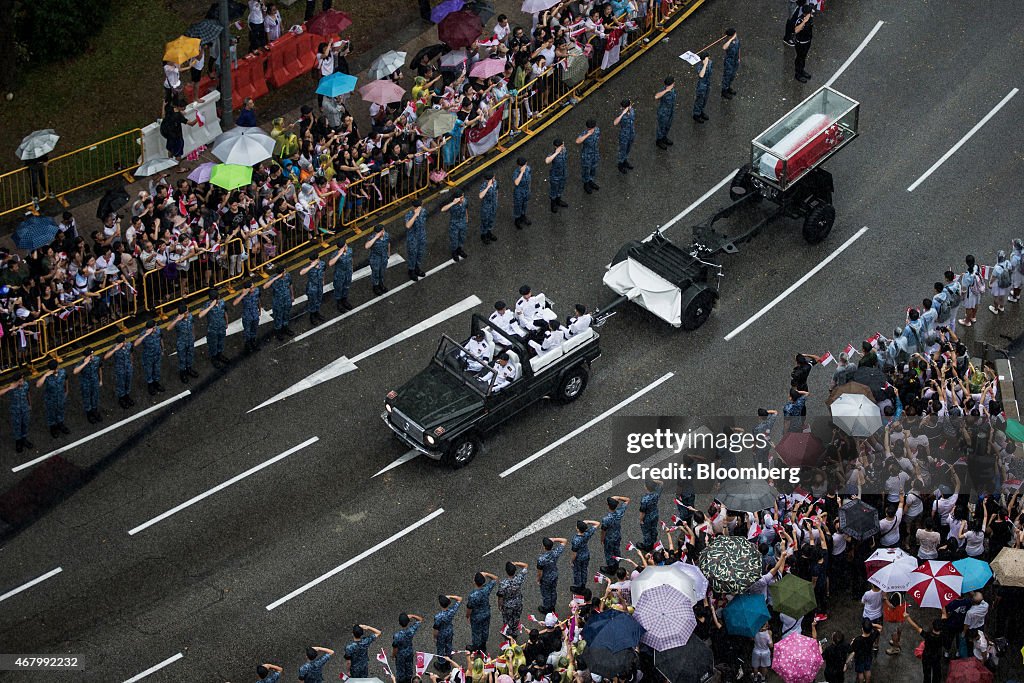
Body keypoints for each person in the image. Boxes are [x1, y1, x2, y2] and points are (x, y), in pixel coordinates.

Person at [905, 609, 946, 683]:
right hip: (937, 656)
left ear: (933, 626)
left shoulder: (927, 635)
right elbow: (944, 615)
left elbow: (917, 627)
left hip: (927, 656)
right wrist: (942, 605)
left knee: (927, 673)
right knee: (937, 672)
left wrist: (908, 618)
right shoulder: (943, 635)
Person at [34, 360, 68, 439]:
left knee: (61, 411)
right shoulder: (46, 376)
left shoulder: (62, 372)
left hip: (60, 397)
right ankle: (53, 428)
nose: (56, 370)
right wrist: (46, 375)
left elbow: (66, 379)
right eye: (54, 369)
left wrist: (67, 390)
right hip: (50, 399)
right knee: (51, 414)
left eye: (56, 368)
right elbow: (38, 385)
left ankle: (60, 424)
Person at [466, 571, 498, 652]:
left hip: (476, 617)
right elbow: (495, 578)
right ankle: (483, 645)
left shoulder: (472, 595)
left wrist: (467, 616)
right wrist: (486, 574)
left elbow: (469, 608)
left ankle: (476, 646)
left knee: (476, 632)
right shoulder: (486, 589)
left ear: (474, 581)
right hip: (486, 613)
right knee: (485, 629)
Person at [166, 303, 198, 384]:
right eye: (186, 312)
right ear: (182, 314)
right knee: (182, 359)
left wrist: (194, 334)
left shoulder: (190, 316)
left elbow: (192, 324)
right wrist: (177, 319)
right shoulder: (177, 321)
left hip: (190, 340)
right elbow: (168, 328)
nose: (188, 313)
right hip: (182, 343)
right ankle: (183, 373)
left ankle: (189, 369)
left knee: (190, 355)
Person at [0, 375, 32, 453]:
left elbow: (28, 394)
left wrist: (30, 404)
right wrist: (9, 388)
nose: (22, 382)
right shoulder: (11, 388)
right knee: (17, 426)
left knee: (25, 424)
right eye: (20, 381)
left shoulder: (26, 384)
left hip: (25, 409)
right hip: (15, 411)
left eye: (22, 380)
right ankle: (18, 442)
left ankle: (24, 439)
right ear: (15, 382)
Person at [198, 290, 230, 368]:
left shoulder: (222, 303)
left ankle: (220, 355)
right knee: (213, 345)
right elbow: (200, 315)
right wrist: (210, 307)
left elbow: (225, 312)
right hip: (212, 330)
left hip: (221, 327)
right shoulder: (207, 305)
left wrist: (226, 322)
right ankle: (214, 358)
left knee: (221, 342)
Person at [497, 561, 529, 635]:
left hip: (507, 605)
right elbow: (525, 565)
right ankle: (514, 630)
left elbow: (500, 597)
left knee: (507, 619)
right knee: (516, 617)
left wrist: (499, 605)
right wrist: (516, 563)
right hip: (518, 602)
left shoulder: (503, 584)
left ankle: (508, 632)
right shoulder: (519, 578)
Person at [536, 536, 567, 614]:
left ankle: (547, 609)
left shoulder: (541, 559)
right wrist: (554, 539)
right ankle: (552, 606)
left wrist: (538, 580)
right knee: (553, 591)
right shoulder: (555, 552)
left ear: (544, 546)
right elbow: (564, 541)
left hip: (546, 578)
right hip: (554, 575)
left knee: (546, 594)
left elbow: (540, 572)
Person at [600, 495, 630, 574]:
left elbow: (603, 530)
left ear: (608, 505)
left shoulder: (606, 519)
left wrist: (602, 539)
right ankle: (617, 563)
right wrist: (618, 497)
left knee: (609, 553)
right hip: (617, 535)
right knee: (616, 549)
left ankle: (611, 569)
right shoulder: (619, 512)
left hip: (609, 538)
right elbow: (627, 500)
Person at [104, 334, 135, 408]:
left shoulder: (129, 345)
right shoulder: (115, 348)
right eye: (124, 341)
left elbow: (131, 354)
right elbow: (105, 357)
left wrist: (131, 363)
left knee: (128, 382)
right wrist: (115, 349)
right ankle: (121, 399)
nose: (125, 342)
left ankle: (127, 396)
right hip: (120, 370)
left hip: (128, 368)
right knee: (121, 384)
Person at [73, 348, 103, 423]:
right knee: (87, 399)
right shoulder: (81, 362)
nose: (92, 356)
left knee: (95, 397)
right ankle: (89, 414)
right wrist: (85, 363)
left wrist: (100, 380)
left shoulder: (97, 359)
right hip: (85, 384)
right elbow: (75, 371)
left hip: (95, 382)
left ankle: (95, 411)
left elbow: (99, 369)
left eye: (92, 354)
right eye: (90, 355)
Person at [233, 280, 263, 353]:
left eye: (254, 287)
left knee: (254, 330)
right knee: (247, 332)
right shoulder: (242, 295)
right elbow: (234, 303)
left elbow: (258, 300)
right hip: (247, 316)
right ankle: (248, 345)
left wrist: (260, 309)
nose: (254, 289)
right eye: (252, 288)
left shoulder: (256, 291)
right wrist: (243, 294)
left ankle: (253, 342)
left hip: (255, 314)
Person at [392, 613, 423, 683]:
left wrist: (393, 655)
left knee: (400, 668)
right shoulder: (411, 630)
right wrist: (412, 616)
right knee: (409, 665)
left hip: (400, 654)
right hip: (409, 651)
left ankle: (401, 680)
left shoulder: (397, 636)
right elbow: (420, 620)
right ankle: (409, 678)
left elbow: (395, 648)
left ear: (399, 623)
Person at [264, 269, 295, 340]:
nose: (285, 273)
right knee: (278, 317)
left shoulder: (287, 276)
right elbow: (265, 286)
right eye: (284, 272)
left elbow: (290, 285)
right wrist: (276, 278)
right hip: (278, 302)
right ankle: (278, 332)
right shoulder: (273, 279)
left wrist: (292, 295)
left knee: (286, 314)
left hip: (287, 299)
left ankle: (285, 328)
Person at [136, 319, 164, 396]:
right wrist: (145, 335)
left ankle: (156, 383)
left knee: (157, 369)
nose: (156, 328)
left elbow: (160, 339)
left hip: (157, 354)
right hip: (148, 357)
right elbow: (135, 344)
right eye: (154, 327)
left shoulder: (158, 330)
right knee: (149, 371)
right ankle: (150, 385)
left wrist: (162, 349)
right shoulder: (143, 334)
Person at [570, 520, 600, 589]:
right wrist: (588, 521)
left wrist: (571, 561)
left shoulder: (575, 540)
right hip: (586, 555)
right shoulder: (587, 533)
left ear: (577, 529)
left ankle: (578, 586)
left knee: (577, 571)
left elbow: (574, 553)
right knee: (584, 570)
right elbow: (597, 523)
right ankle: (583, 584)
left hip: (578, 558)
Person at [850, 618, 882, 682]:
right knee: (867, 670)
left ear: (862, 629)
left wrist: (852, 641)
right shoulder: (873, 636)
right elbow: (880, 627)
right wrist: (872, 624)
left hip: (859, 658)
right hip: (868, 656)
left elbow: (852, 648)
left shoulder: (857, 639)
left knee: (860, 672)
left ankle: (861, 681)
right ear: (871, 629)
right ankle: (868, 681)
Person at [404, 200, 428, 281]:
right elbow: (408, 226)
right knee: (412, 256)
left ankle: (417, 268)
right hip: (412, 239)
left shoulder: (424, 211)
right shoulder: (409, 215)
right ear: (413, 207)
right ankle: (411, 271)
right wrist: (415, 215)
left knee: (420, 254)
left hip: (421, 237)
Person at [442, 190, 469, 262]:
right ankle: (454, 253)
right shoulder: (452, 205)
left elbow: (466, 208)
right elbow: (443, 209)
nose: (462, 199)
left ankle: (459, 250)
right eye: (461, 198)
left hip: (463, 223)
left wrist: (467, 218)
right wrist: (453, 203)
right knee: (454, 240)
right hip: (454, 225)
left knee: (462, 238)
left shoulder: (465, 201)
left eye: (463, 197)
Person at [300, 255, 327, 324]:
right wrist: (311, 266)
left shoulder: (322, 264)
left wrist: (323, 280)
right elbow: (301, 273)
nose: (317, 260)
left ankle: (316, 313)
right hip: (312, 287)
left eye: (317, 259)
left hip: (319, 286)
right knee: (312, 302)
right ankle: (312, 316)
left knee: (319, 300)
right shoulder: (308, 267)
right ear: (311, 261)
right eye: (315, 260)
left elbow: (323, 272)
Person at [576, 120, 601, 194]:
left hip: (595, 153)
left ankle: (591, 181)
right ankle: (586, 184)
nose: (593, 129)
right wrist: (588, 134)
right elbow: (577, 141)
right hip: (587, 155)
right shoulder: (584, 134)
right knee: (586, 170)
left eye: (593, 128)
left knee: (593, 168)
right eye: (591, 128)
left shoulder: (597, 130)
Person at [365, 225, 391, 295]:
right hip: (375, 259)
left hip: (384, 257)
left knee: (382, 272)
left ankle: (381, 284)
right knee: (375, 273)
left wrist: (388, 253)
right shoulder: (372, 238)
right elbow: (367, 246)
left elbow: (388, 243)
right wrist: (376, 237)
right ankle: (375, 286)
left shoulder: (386, 235)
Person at [546, 139, 569, 214]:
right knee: (554, 191)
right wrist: (556, 153)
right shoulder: (553, 153)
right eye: (561, 146)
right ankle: (553, 204)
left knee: (561, 188)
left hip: (563, 174)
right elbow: (547, 161)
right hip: (555, 176)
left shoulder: (564, 150)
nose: (562, 146)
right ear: (556, 147)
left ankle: (558, 200)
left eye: (563, 145)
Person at [793, 2, 814, 82]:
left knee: (803, 57)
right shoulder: (800, 20)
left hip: (807, 41)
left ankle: (802, 70)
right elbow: (796, 30)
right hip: (800, 43)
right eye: (809, 13)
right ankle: (798, 74)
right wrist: (804, 21)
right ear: (805, 14)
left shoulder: (810, 17)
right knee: (799, 58)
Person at [638, 478, 662, 550]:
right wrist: (653, 481)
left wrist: (641, 520)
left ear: (646, 487)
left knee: (646, 532)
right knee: (653, 528)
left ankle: (647, 546)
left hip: (647, 517)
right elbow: (661, 483)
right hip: (655, 514)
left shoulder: (645, 499)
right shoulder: (656, 493)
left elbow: (642, 511)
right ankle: (653, 540)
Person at [329, 242, 354, 312]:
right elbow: (330, 263)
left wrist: (352, 268)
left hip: (348, 273)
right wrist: (339, 254)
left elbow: (351, 259)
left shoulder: (349, 250)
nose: (346, 247)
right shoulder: (336, 254)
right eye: (344, 246)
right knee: (338, 289)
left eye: (346, 245)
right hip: (340, 275)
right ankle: (339, 303)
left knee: (346, 287)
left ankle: (344, 300)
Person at [614, 99, 635, 173]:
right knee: (622, 150)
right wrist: (623, 113)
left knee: (628, 148)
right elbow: (615, 123)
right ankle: (620, 165)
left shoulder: (631, 110)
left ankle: (625, 161)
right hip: (624, 135)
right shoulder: (621, 114)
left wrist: (629, 107)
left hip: (631, 133)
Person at [654, 77, 676, 149]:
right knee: (661, 127)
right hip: (663, 113)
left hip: (670, 111)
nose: (674, 83)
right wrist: (666, 90)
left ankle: (664, 137)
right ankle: (659, 140)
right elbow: (656, 96)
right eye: (673, 83)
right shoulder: (663, 90)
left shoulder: (673, 90)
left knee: (667, 126)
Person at [478, 173, 499, 244]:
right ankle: (483, 235)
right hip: (486, 207)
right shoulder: (484, 185)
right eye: (493, 177)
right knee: (485, 221)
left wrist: (496, 201)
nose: (494, 178)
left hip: (493, 205)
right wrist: (488, 187)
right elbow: (480, 196)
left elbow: (497, 191)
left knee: (491, 220)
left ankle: (489, 233)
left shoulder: (495, 182)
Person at [512, 158, 533, 229]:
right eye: (521, 166)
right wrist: (521, 173)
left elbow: (529, 180)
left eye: (523, 165)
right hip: (519, 193)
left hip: (526, 191)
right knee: (518, 206)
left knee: (524, 205)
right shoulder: (516, 172)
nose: (522, 167)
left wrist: (529, 190)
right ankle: (517, 220)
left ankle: (523, 216)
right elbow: (516, 183)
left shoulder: (528, 169)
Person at [692, 53, 712, 122]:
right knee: (699, 101)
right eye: (707, 58)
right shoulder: (699, 67)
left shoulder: (710, 63)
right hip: (701, 86)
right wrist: (705, 65)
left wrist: (707, 63)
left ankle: (701, 111)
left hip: (707, 84)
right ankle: (696, 114)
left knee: (705, 100)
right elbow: (701, 75)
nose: (708, 59)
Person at [721, 28, 740, 98]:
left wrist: (739, 57)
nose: (736, 35)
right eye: (734, 34)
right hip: (729, 62)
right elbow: (724, 47)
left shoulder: (737, 40)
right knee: (727, 77)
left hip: (735, 60)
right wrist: (731, 39)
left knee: (732, 76)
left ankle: (728, 87)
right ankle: (724, 91)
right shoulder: (728, 42)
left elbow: (738, 48)